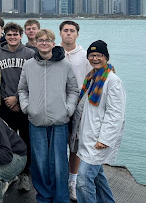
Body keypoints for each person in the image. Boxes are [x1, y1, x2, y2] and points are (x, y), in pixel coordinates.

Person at [18, 28, 79, 203]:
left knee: (59, 163)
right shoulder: (29, 65)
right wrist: (27, 107)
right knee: (40, 163)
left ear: (54, 43)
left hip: (59, 121)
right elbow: (22, 89)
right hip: (36, 121)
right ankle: (44, 196)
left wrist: (67, 109)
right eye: (40, 40)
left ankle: (61, 198)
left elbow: (73, 90)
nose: (44, 43)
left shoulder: (65, 65)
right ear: (35, 43)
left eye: (47, 40)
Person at [71, 41, 125, 203]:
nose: (95, 58)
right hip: (86, 136)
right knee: (97, 179)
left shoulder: (112, 81)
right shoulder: (92, 78)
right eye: (92, 55)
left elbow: (116, 114)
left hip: (98, 139)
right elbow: (82, 109)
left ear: (106, 58)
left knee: (82, 181)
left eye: (99, 55)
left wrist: (105, 139)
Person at [0, 22, 35, 191]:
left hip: (24, 103)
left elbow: (33, 79)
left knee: (25, 139)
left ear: (21, 35)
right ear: (5, 35)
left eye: (15, 34)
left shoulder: (30, 53)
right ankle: (9, 173)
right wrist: (7, 99)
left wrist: (17, 99)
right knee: (7, 140)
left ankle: (25, 173)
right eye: (9, 35)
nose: (12, 37)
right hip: (5, 105)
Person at [59, 20, 94, 200]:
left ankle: (73, 180)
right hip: (58, 104)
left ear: (77, 34)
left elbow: (92, 80)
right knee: (58, 145)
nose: (68, 34)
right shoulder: (55, 52)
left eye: (72, 31)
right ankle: (59, 179)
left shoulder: (84, 55)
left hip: (79, 105)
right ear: (60, 33)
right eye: (65, 30)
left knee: (75, 145)